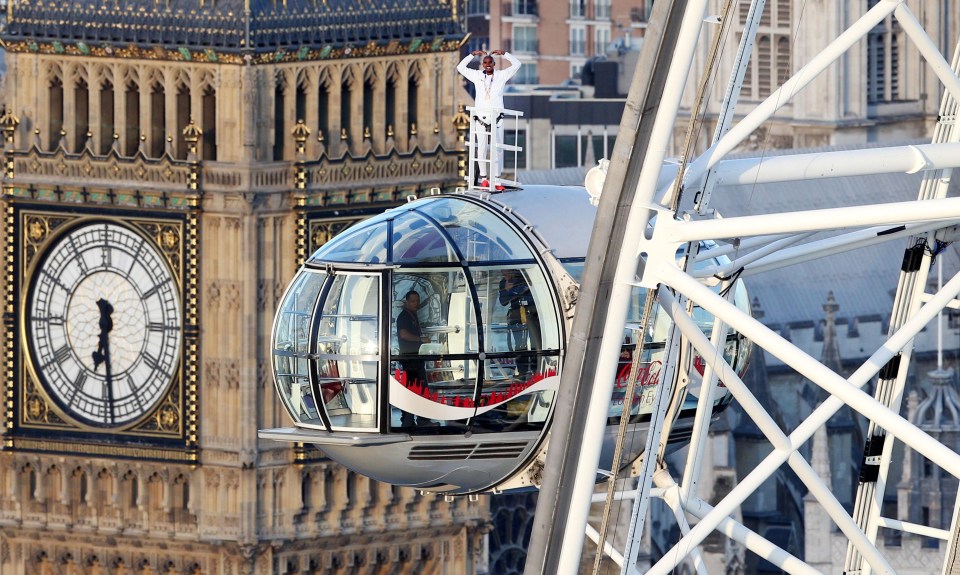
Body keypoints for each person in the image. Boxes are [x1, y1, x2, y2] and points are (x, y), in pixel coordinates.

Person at [457, 49, 521, 191]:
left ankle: (497, 179)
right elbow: (460, 68)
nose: (487, 65)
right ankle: (484, 179)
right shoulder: (477, 76)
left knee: (497, 150)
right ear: (482, 65)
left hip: (497, 118)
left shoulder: (501, 76)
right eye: (485, 63)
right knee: (481, 148)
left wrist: (505, 54)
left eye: (489, 62)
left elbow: (517, 64)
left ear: (494, 63)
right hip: (480, 118)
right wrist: (472, 55)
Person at [396, 290, 431, 427]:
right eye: (413, 301)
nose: (416, 304)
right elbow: (403, 334)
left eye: (417, 301)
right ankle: (416, 420)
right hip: (410, 360)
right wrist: (420, 339)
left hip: (415, 358)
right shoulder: (404, 316)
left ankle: (411, 420)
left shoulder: (412, 315)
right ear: (407, 302)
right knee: (418, 389)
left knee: (416, 389)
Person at [498, 269, 541, 374]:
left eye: (507, 273)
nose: (505, 276)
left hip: (531, 314)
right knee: (519, 345)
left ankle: (536, 369)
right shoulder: (504, 283)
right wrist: (508, 291)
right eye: (503, 274)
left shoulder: (525, 278)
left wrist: (512, 292)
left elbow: (532, 297)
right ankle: (522, 371)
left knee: (535, 342)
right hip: (516, 315)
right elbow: (503, 301)